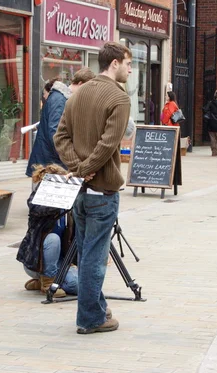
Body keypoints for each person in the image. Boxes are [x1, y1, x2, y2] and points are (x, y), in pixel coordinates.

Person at [54, 41, 132, 335]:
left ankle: (96, 307)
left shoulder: (79, 92)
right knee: (94, 259)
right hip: (100, 192)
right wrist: (85, 169)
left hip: (80, 192)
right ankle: (91, 318)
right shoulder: (119, 98)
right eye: (128, 63)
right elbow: (108, 144)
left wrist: (76, 167)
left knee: (87, 253)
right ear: (114, 63)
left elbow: (60, 137)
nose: (129, 69)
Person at [16, 164, 78, 298]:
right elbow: (37, 207)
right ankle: (48, 283)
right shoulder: (39, 203)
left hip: (59, 261)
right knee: (53, 238)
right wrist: (52, 187)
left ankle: (41, 282)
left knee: (76, 285)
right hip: (37, 262)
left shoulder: (67, 208)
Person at [26, 68, 96, 178]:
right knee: (44, 193)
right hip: (50, 162)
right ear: (81, 84)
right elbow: (55, 133)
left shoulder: (61, 99)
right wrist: (69, 159)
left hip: (50, 160)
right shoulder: (60, 100)